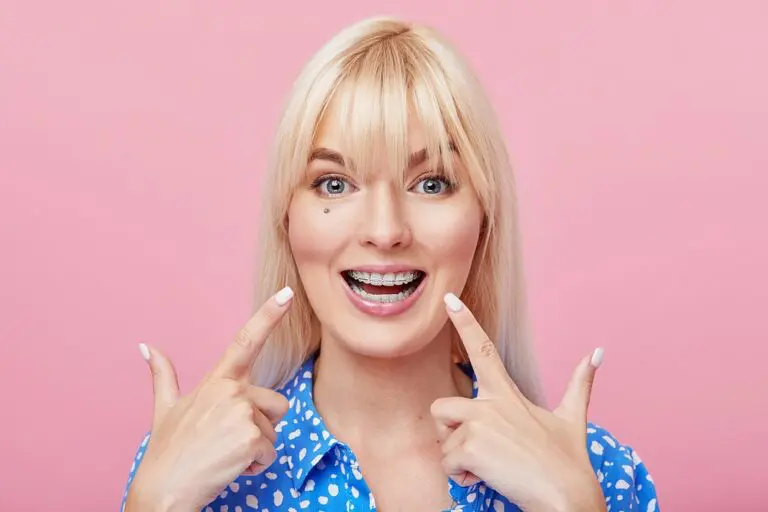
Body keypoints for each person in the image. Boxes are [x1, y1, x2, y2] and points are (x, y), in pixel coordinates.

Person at [121, 16, 660, 512]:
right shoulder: (192, 466)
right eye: (335, 183)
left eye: (432, 183)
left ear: (484, 222)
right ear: (287, 220)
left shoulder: (597, 474)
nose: (384, 232)